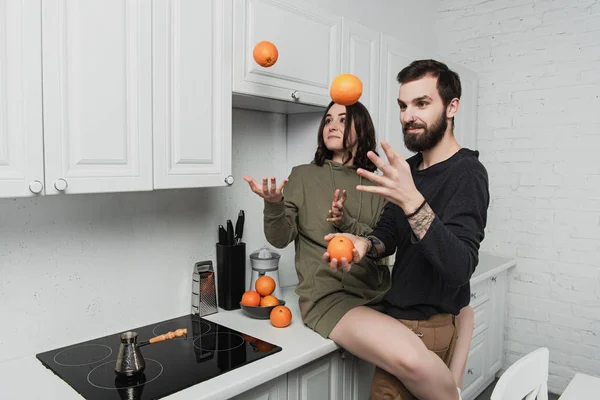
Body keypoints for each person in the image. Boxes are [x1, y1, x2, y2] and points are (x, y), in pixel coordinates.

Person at [244, 98, 466, 400]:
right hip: (331, 298)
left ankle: (454, 386)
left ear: (361, 129)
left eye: (343, 119)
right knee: (413, 358)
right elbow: (281, 238)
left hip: (379, 290)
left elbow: (382, 244)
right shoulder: (303, 176)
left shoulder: (375, 180)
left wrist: (345, 221)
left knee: (462, 306)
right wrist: (273, 205)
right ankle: (454, 391)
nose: (332, 125)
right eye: (328, 120)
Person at [323, 59, 489, 399]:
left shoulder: (467, 173)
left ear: (452, 106)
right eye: (403, 105)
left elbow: (460, 267)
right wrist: (365, 245)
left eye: (421, 103)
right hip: (400, 324)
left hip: (425, 330)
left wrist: (414, 202)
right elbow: (390, 234)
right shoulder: (409, 168)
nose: (408, 115)